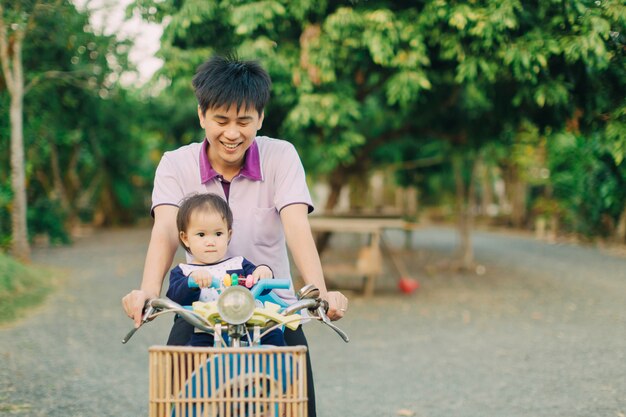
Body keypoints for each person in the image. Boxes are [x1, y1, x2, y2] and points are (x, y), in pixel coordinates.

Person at [122, 54, 348, 416]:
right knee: (170, 402)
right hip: (199, 312)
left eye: (244, 121)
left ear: (260, 117)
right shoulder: (175, 163)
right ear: (202, 115)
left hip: (274, 313)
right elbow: (165, 229)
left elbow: (296, 225)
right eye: (220, 120)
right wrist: (148, 293)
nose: (232, 133)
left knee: (298, 406)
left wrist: (319, 293)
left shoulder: (281, 156)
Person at [168, 192, 284, 347]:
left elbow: (260, 287)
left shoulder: (238, 264)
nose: (210, 241)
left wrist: (263, 271)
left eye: (218, 233)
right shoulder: (184, 271)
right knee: (189, 346)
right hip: (204, 328)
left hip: (245, 323)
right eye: (201, 234)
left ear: (229, 235)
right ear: (185, 238)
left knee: (273, 333)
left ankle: (279, 368)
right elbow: (176, 296)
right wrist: (192, 282)